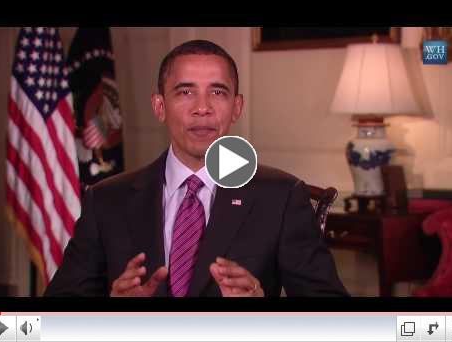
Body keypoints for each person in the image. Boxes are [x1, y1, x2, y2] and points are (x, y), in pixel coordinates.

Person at [45, 39, 348, 297]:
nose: (202, 108)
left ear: (236, 107)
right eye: (185, 92)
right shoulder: (106, 200)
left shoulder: (281, 197)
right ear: (160, 107)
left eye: (217, 92)